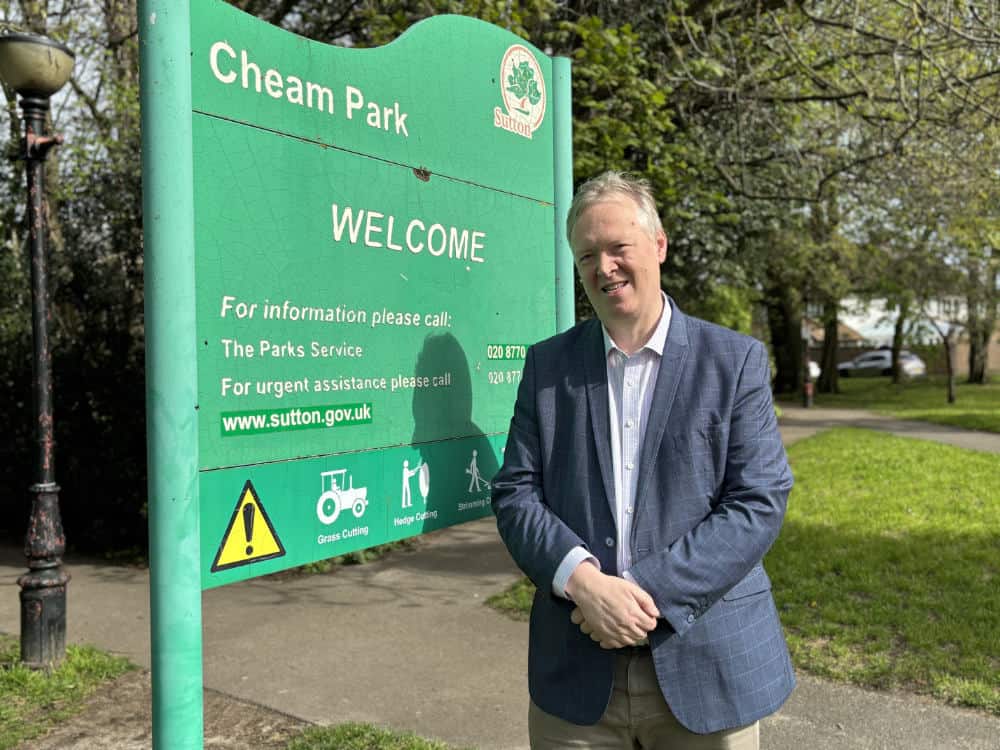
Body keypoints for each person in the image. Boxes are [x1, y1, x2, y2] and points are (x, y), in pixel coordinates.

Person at [491, 171, 795, 749]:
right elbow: (516, 492)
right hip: (577, 680)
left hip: (706, 666)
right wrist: (582, 583)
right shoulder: (548, 367)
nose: (602, 267)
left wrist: (631, 593)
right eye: (586, 256)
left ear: (658, 245)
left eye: (616, 248)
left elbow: (757, 501)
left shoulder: (733, 362)